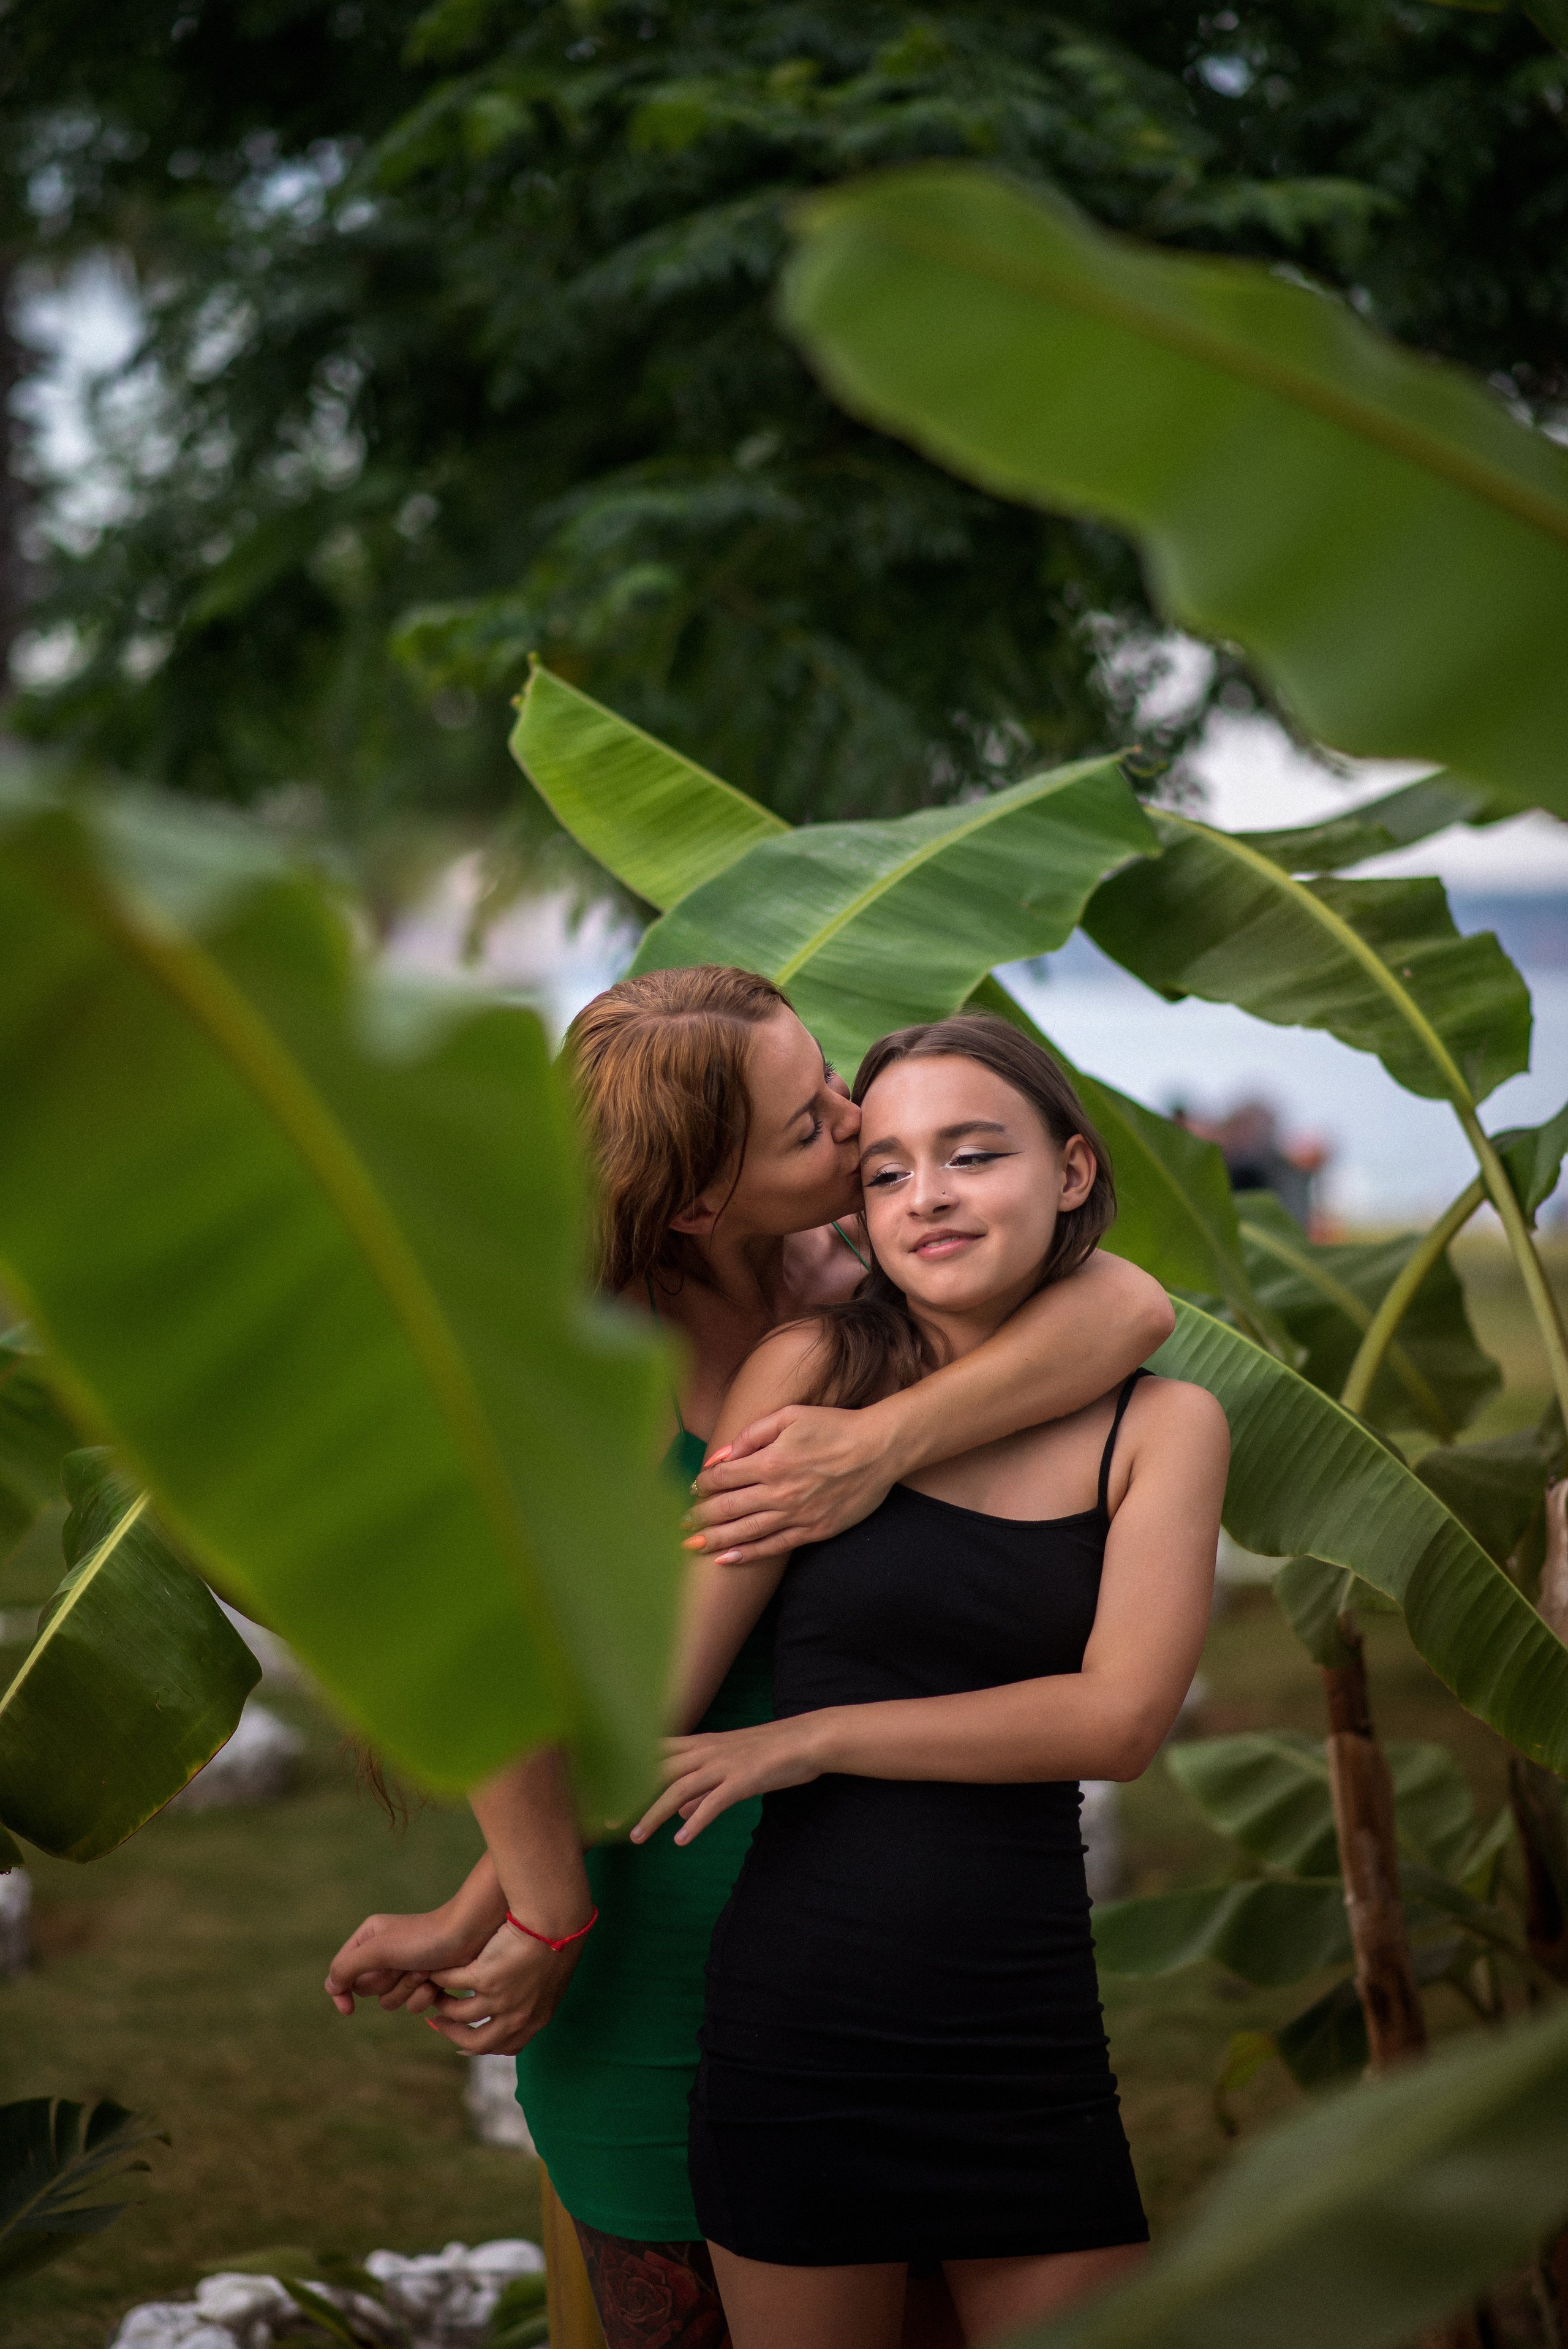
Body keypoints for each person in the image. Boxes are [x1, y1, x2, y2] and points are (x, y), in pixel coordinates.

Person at [325, 969, 1176, 2349]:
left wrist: (880, 1444)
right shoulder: (560, 1373)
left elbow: (1129, 1305)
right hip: (653, 1922)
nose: (853, 1124)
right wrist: (528, 1904)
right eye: (808, 1126)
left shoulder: (870, 1281)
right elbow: (499, 1674)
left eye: (828, 1081)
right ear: (694, 1205)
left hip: (906, 1925)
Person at [631, 1013, 1229, 2349]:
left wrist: (808, 1738)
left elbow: (1118, 1720)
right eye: (886, 1170)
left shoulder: (1163, 1426)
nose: (928, 1196)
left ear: (1071, 1170)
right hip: (800, 2027)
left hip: (1023, 2033)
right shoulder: (804, 1372)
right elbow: (664, 1679)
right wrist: (501, 1903)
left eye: (972, 1155)